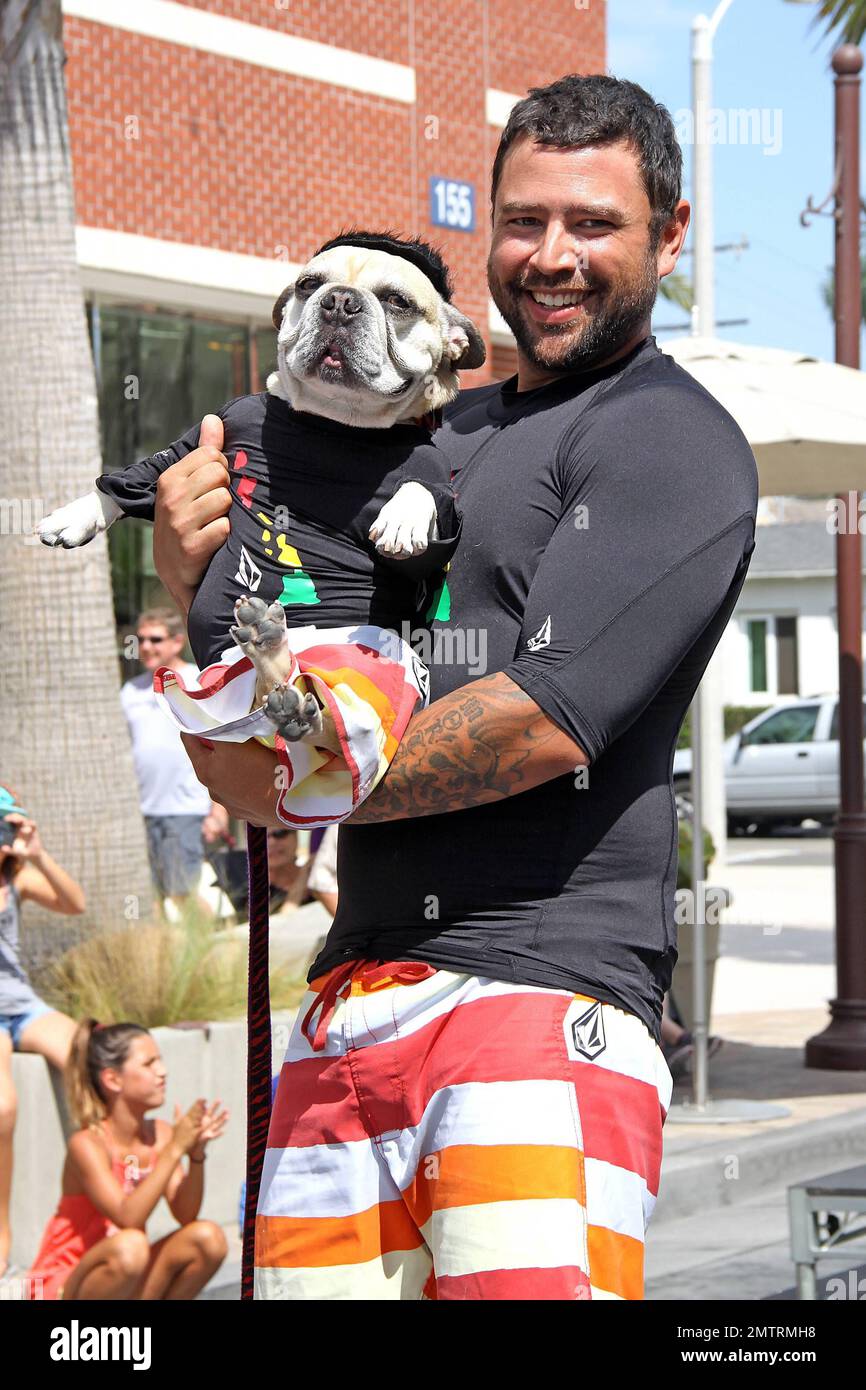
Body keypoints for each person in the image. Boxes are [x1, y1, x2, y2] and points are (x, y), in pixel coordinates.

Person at [152, 74, 759, 1301]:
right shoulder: (428, 429)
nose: (550, 257)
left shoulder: (666, 439)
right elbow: (277, 642)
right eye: (523, 220)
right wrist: (191, 568)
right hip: (348, 991)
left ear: (669, 235)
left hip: (535, 1001)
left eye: (593, 224)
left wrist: (295, 785)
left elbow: (538, 719)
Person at [26, 1018, 228, 1300]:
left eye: (160, 1061)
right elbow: (128, 1218)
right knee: (131, 1246)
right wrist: (173, 1150)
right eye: (149, 1064)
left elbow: (186, 1215)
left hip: (129, 1271)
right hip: (67, 1279)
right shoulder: (87, 1144)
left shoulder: (160, 1135)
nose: (163, 1072)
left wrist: (194, 1155)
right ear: (112, 1079)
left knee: (208, 1238)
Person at [0, 784, 83, 1281]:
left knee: (93, 1057)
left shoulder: (17, 877)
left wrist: (37, 853)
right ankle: (3, 1228)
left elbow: (74, 904)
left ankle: (98, 1199)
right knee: (2, 1107)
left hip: (21, 1003)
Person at [121, 608, 229, 916]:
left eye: (155, 639)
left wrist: (219, 810)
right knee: (153, 899)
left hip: (185, 809)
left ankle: (215, 955)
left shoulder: (198, 681)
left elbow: (222, 746)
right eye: (140, 639)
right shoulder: (130, 691)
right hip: (141, 811)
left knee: (184, 894)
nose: (145, 647)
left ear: (177, 641)